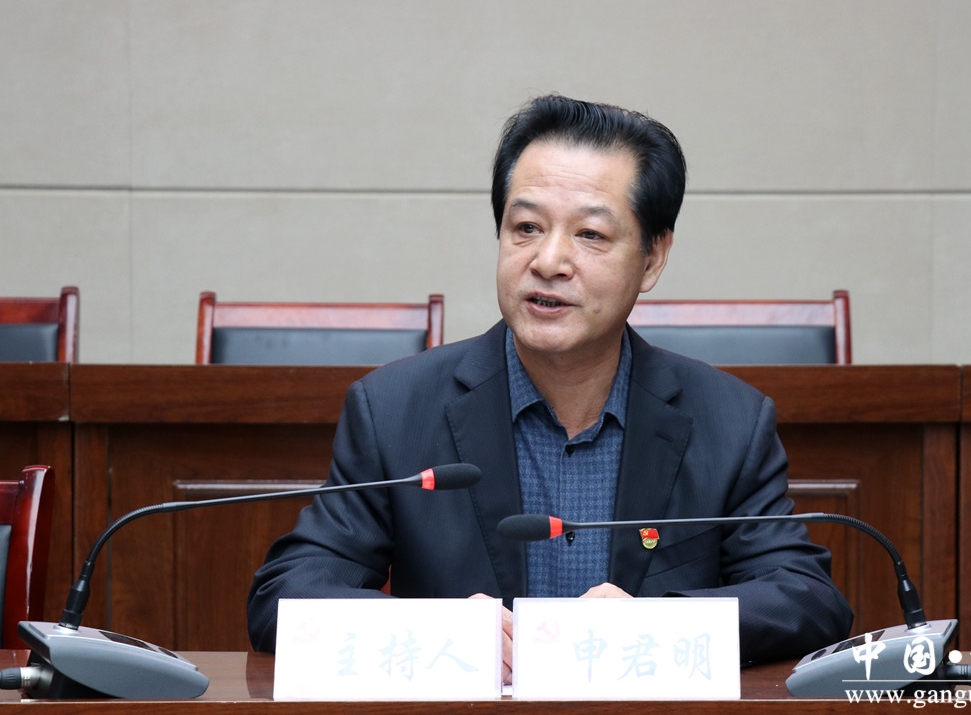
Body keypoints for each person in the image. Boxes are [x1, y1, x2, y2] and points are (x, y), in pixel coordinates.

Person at [247, 94, 853, 680]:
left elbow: (805, 598)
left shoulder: (728, 420)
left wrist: (656, 624)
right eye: (527, 227)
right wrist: (439, 634)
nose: (548, 261)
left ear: (652, 258)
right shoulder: (396, 409)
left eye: (590, 235)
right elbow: (286, 595)